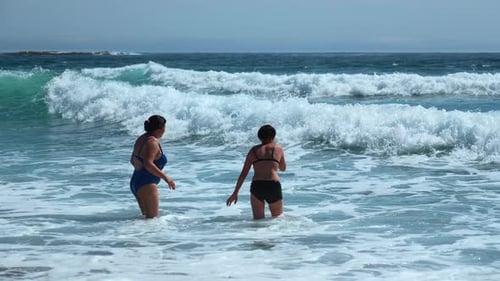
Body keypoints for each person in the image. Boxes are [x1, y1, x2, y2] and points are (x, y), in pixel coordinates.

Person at [226, 125, 287, 219]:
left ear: (259, 137)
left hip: (257, 186)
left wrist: (235, 193)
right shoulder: (278, 149)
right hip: (273, 185)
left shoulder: (253, 151)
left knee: (258, 222)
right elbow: (283, 168)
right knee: (277, 219)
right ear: (273, 137)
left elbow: (244, 173)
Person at [130, 115, 175, 218]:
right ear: (161, 128)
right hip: (147, 184)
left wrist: (141, 170)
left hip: (136, 182)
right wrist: (167, 178)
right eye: (164, 127)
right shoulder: (152, 143)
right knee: (152, 221)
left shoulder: (141, 138)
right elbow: (148, 164)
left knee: (146, 221)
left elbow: (132, 160)